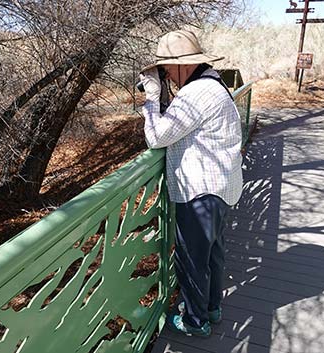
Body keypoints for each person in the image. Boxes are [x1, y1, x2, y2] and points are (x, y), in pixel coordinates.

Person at [139, 30, 243, 337]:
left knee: (192, 260)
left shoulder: (195, 93)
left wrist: (151, 99)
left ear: (186, 65)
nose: (167, 74)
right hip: (221, 186)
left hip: (200, 191)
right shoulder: (214, 84)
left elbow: (157, 137)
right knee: (212, 254)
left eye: (168, 67)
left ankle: (196, 322)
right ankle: (212, 307)